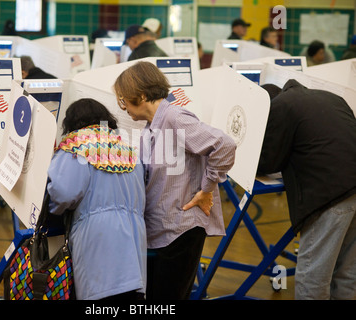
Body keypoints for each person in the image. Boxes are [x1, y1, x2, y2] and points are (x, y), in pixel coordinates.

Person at [113, 61, 236, 299]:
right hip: (163, 227)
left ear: (139, 95)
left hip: (181, 230)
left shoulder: (175, 117)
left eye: (123, 100)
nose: (124, 107)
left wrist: (207, 188)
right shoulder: (151, 126)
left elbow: (225, 145)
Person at [259, 80, 356, 300]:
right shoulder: (331, 96)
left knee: (313, 279)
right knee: (347, 276)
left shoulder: (281, 106)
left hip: (330, 194)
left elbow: (268, 160)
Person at [46, 98, 147, 300]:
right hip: (134, 238)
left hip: (98, 240)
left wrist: (52, 210)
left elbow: (62, 193)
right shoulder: (128, 151)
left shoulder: (75, 149)